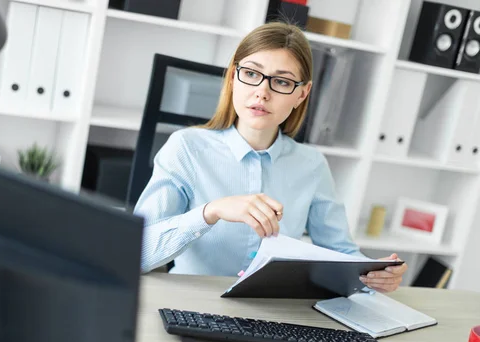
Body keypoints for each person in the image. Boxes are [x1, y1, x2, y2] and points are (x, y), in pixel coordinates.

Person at [133, 22, 407, 293]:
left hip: (272, 312)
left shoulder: (312, 165)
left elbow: (340, 253)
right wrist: (211, 211)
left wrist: (373, 273)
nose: (262, 92)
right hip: (194, 305)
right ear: (232, 78)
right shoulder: (187, 148)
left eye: (281, 81)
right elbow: (136, 253)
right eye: (251, 74)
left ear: (302, 94)